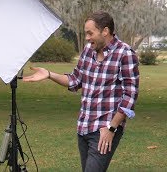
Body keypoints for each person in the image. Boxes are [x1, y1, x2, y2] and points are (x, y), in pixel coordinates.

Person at [23, 11, 139, 172]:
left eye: (90, 33)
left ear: (105, 31)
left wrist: (112, 128)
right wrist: (49, 74)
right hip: (83, 127)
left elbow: (130, 97)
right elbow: (75, 80)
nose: (87, 38)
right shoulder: (88, 51)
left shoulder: (125, 53)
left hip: (104, 129)